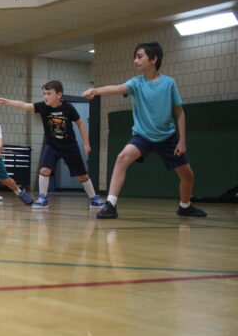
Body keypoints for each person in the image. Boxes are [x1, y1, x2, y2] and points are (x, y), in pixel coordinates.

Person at [83, 42, 206, 219]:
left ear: (153, 59)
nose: (135, 61)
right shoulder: (136, 83)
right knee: (122, 158)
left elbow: (179, 112)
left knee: (188, 176)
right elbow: (118, 88)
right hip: (143, 136)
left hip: (167, 138)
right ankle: (110, 204)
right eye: (135, 57)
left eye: (139, 57)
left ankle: (185, 206)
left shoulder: (169, 83)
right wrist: (96, 90)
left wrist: (182, 141)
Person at [0, 80, 105, 209]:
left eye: (48, 93)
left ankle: (94, 199)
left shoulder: (68, 108)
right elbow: (24, 105)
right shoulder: (43, 107)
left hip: (69, 146)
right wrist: (7, 102)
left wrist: (86, 143)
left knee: (82, 175)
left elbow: (80, 124)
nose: (45, 96)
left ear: (58, 95)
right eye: (44, 94)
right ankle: (42, 198)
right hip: (52, 145)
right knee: (44, 170)